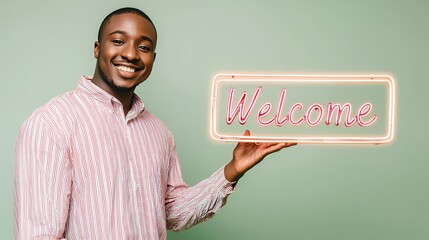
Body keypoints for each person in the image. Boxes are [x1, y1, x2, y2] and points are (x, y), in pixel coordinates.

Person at [14, 7, 296, 240]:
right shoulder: (51, 124)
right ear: (97, 48)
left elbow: (172, 213)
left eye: (144, 46)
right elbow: (38, 236)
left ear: (153, 59)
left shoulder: (159, 133)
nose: (131, 54)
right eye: (118, 40)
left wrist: (232, 171)